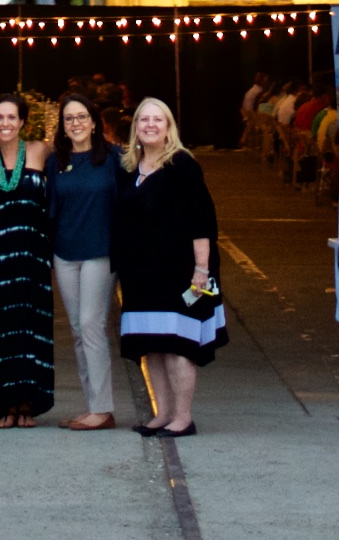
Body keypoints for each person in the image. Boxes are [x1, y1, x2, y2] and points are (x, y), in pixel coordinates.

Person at [114, 95, 225, 438]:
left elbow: (202, 222)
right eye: (143, 120)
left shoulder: (182, 166)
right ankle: (162, 414)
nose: (149, 125)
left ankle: (183, 417)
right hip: (140, 274)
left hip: (180, 271)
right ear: (135, 128)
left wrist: (201, 271)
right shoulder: (128, 167)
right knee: (152, 344)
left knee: (179, 345)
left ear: (168, 128)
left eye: (157, 120)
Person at [0, 92, 53, 428]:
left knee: (28, 327)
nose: (5, 123)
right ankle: (3, 403)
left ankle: (27, 402)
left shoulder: (40, 151)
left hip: (31, 253)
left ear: (22, 121)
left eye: (11, 117)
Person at [47, 90, 118, 429]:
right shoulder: (56, 161)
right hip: (65, 253)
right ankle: (93, 405)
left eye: (81, 117)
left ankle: (102, 409)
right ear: (62, 126)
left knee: (92, 326)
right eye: (68, 118)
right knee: (77, 329)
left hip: (99, 252)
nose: (75, 123)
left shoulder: (114, 158)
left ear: (93, 123)